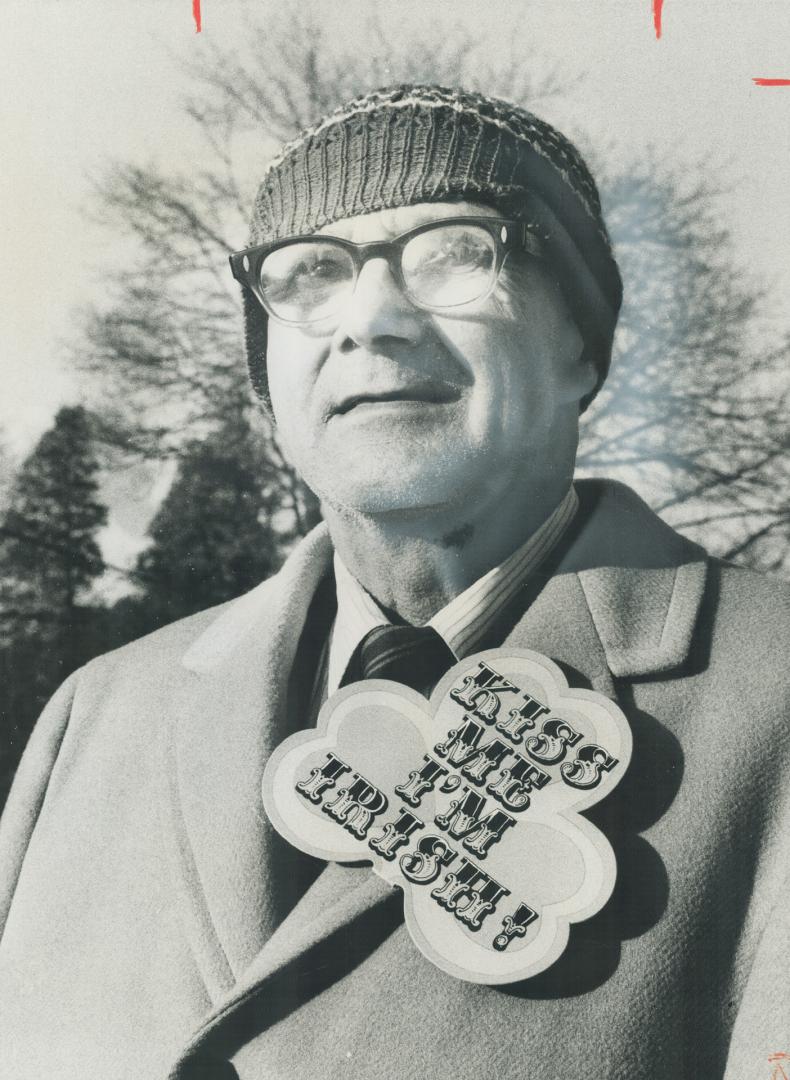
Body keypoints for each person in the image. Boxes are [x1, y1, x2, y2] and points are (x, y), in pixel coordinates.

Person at [0, 84, 788, 1080]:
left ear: (579, 348)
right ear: (265, 382)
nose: (370, 318)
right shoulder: (96, 716)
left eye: (458, 250)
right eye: (309, 273)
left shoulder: (773, 698)